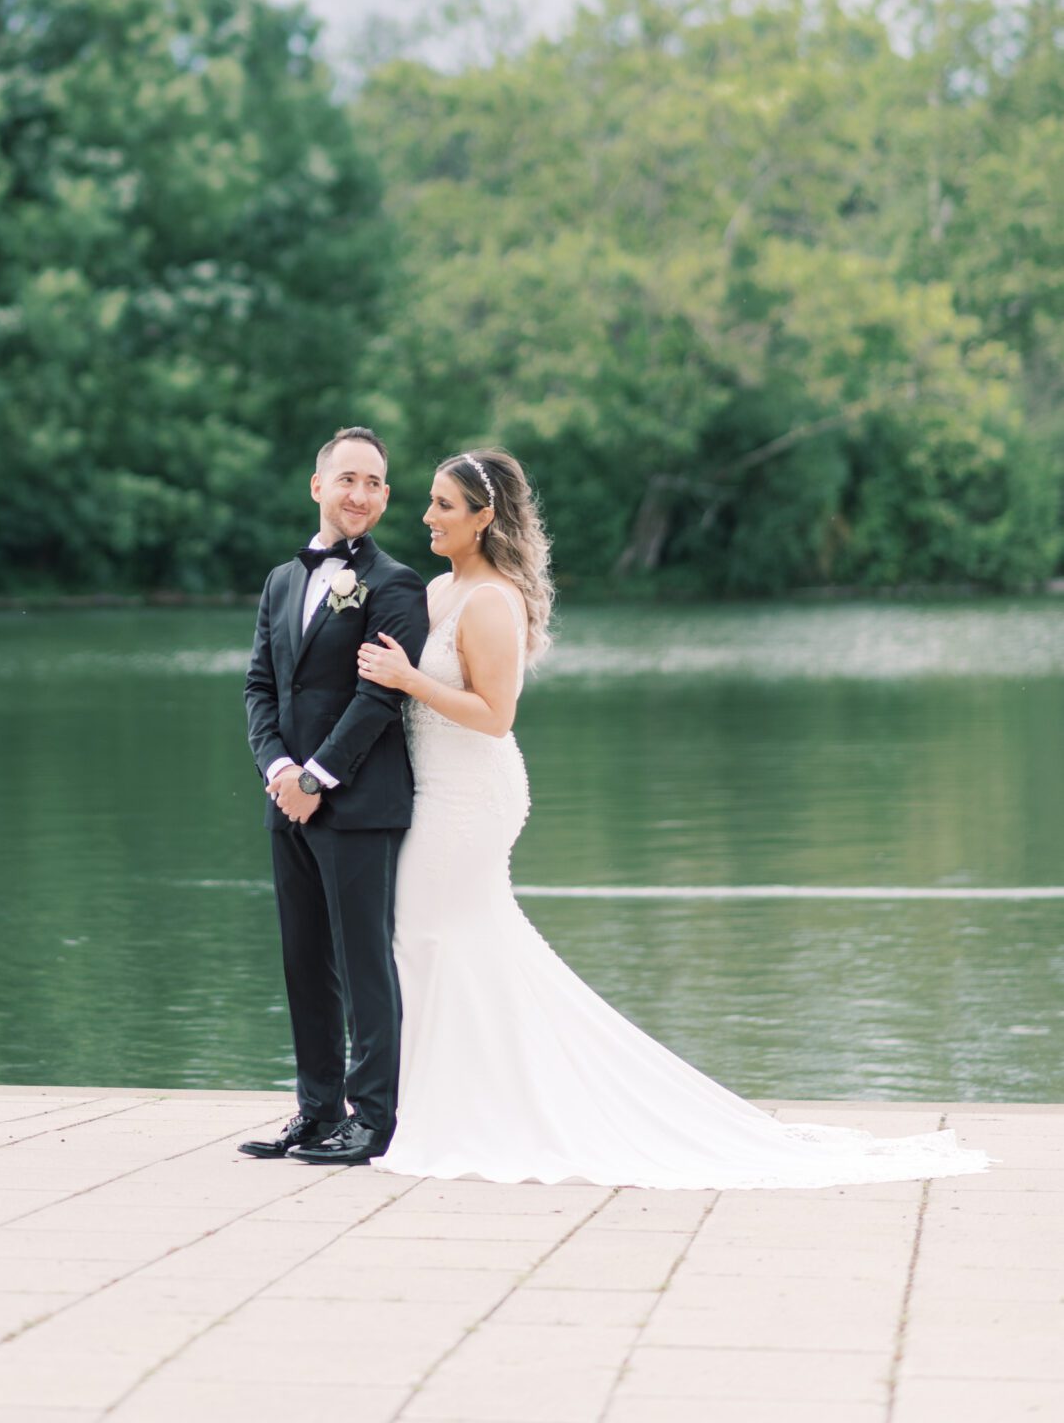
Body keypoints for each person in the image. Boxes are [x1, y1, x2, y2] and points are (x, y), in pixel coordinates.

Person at [357, 447, 989, 1188]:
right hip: (431, 789)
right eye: (429, 502)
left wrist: (405, 679)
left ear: (483, 517)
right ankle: (460, 1101)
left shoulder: (491, 600)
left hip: (471, 796)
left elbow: (495, 717)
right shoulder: (437, 589)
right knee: (437, 942)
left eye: (441, 505)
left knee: (433, 935)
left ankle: (474, 1112)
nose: (426, 516)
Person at [239, 425, 429, 1168]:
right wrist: (279, 771)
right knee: (302, 958)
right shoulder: (281, 581)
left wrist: (319, 777)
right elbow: (260, 686)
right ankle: (316, 1111)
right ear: (317, 486)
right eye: (347, 479)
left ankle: (371, 1119)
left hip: (358, 804)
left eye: (375, 483)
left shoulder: (395, 585)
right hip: (285, 800)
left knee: (362, 964)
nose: (360, 494)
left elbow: (377, 699)